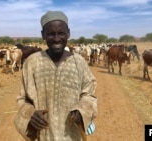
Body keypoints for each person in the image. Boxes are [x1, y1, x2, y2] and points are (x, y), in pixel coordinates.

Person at [14, 10, 97, 141]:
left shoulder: (79, 62)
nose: (57, 39)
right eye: (51, 34)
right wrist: (30, 114)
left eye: (61, 33)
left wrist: (83, 110)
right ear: (43, 35)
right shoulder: (32, 62)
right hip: (43, 135)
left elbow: (89, 94)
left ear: (68, 33)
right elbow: (23, 98)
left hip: (72, 136)